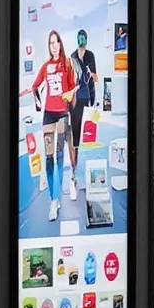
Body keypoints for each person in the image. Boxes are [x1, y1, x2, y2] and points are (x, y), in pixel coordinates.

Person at [27, 29, 75, 223]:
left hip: (63, 114)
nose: (53, 46)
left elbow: (73, 87)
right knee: (48, 157)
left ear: (60, 44)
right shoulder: (46, 66)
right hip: (48, 114)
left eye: (56, 42)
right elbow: (35, 86)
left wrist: (71, 104)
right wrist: (38, 103)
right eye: (50, 43)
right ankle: (53, 198)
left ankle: (56, 198)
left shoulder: (67, 64)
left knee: (60, 155)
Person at [66, 26, 98, 193]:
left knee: (87, 130)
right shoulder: (71, 57)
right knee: (75, 128)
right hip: (75, 97)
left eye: (83, 37)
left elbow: (93, 77)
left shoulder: (90, 55)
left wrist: (93, 99)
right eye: (79, 37)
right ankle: (74, 169)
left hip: (86, 96)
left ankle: (80, 167)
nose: (81, 40)